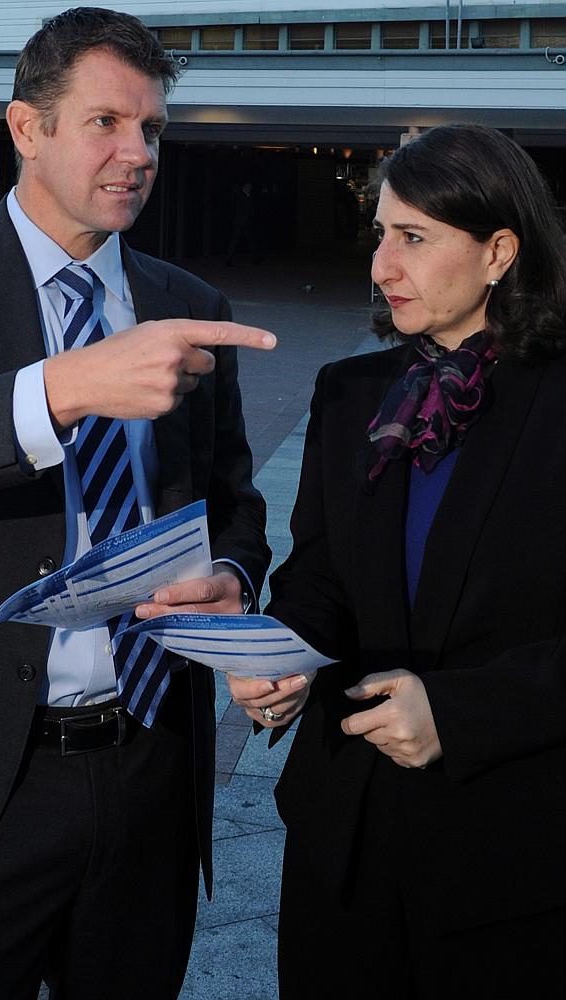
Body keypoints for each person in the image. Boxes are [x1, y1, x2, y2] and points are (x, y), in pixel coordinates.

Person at [0, 8, 275, 999]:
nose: (137, 152)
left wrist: (230, 577)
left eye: (151, 128)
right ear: (26, 129)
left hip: (152, 768)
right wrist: (64, 387)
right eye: (106, 123)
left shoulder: (184, 296)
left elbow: (235, 503)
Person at [230, 123, 566, 997]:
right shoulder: (352, 394)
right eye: (380, 232)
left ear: (499, 251)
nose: (381, 264)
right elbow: (321, 575)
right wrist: (285, 654)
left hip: (512, 851)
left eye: (413, 238)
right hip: (344, 841)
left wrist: (461, 711)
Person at [225, 180, 261, 266]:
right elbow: (242, 209)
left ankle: (255, 258)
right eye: (248, 186)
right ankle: (229, 259)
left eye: (250, 187)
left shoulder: (247, 196)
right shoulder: (240, 196)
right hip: (242, 222)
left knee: (250, 241)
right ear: (244, 187)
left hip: (244, 222)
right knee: (238, 241)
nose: (250, 188)